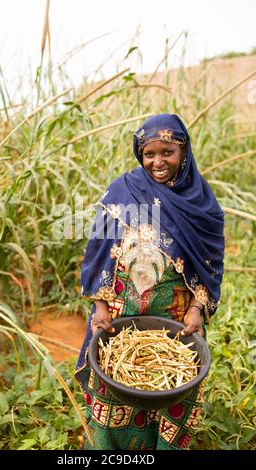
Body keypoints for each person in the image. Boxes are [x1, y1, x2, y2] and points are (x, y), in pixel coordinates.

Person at [75, 113, 225, 450]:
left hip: (174, 327)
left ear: (184, 152)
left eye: (167, 152)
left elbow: (210, 263)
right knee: (115, 393)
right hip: (119, 324)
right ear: (140, 155)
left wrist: (197, 309)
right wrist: (101, 307)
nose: (157, 162)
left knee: (171, 396)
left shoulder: (202, 205)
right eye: (149, 154)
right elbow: (99, 251)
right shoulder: (122, 191)